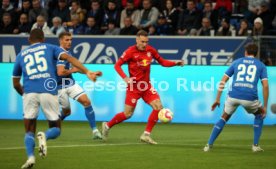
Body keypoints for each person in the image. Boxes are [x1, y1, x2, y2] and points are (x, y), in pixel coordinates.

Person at [12, 28, 100, 169]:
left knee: (29, 130)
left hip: (29, 92)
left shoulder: (21, 55)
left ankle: (30, 158)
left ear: (29, 40)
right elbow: (69, 59)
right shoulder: (50, 47)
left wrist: (24, 95)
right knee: (56, 128)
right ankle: (45, 136)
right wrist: (87, 71)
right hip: (49, 89)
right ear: (43, 39)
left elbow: (16, 83)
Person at [101, 30, 184, 144]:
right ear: (137, 40)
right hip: (134, 87)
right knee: (128, 114)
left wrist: (175, 63)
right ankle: (107, 125)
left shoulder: (150, 50)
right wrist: (125, 78)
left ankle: (146, 135)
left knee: (158, 106)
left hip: (146, 86)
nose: (145, 44)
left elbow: (162, 62)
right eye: (142, 41)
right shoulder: (130, 52)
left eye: (146, 42)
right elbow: (117, 65)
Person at [203, 43, 269, 152]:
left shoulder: (236, 62)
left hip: (233, 96)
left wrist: (217, 99)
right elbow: (265, 85)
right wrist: (265, 106)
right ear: (256, 53)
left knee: (224, 117)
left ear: (245, 52)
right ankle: (255, 145)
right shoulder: (261, 65)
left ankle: (208, 145)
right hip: (250, 98)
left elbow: (223, 81)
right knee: (260, 114)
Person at [57, 32, 102, 139]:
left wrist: (90, 72)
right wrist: (73, 70)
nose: (69, 42)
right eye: (67, 40)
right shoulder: (58, 54)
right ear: (60, 41)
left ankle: (95, 131)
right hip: (58, 86)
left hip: (70, 83)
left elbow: (77, 68)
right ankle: (55, 123)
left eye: (70, 40)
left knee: (86, 102)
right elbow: (60, 73)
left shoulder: (68, 53)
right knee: (67, 112)